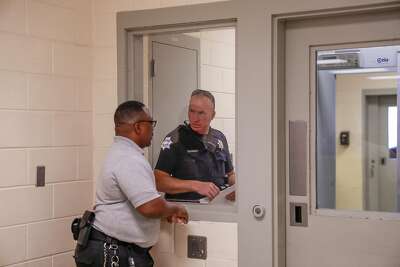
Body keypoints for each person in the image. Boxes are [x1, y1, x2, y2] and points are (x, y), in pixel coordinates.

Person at [74, 101, 188, 267]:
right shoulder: (128, 159)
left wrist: (164, 212)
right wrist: (177, 209)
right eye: (151, 123)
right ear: (138, 127)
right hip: (112, 253)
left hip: (112, 250)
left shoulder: (120, 153)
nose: (153, 129)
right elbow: (149, 207)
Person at [154, 89, 236, 202]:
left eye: (201, 113)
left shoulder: (219, 138)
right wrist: (195, 185)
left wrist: (237, 188)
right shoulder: (175, 139)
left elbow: (230, 174)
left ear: (213, 115)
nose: (195, 118)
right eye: (192, 111)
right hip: (187, 210)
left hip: (218, 208)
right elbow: (159, 181)